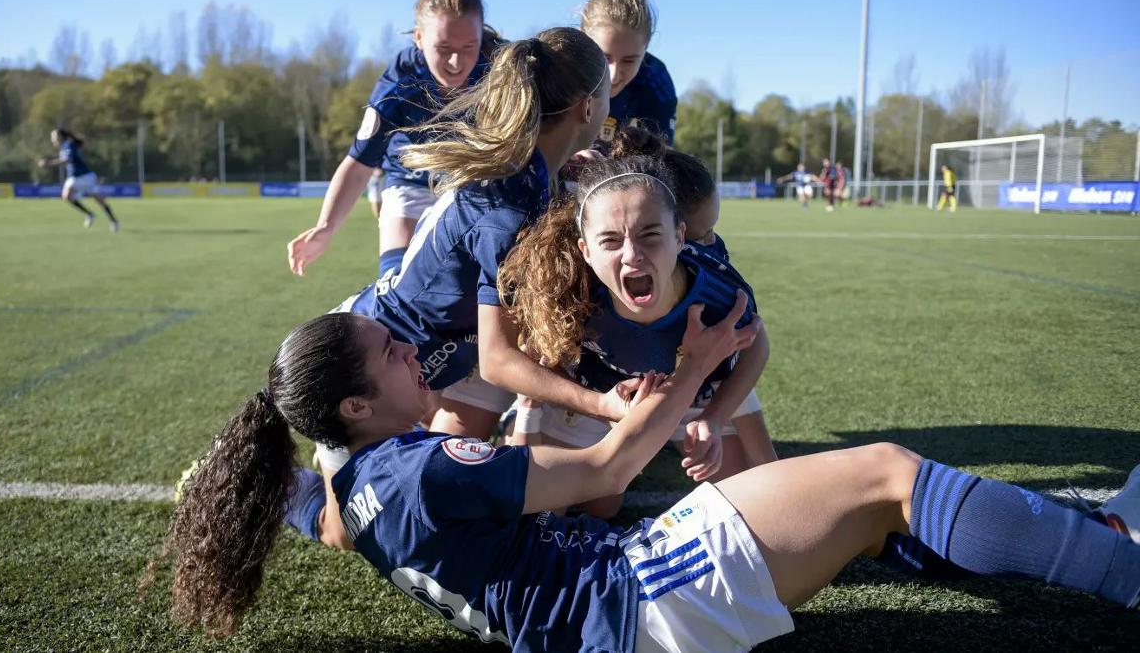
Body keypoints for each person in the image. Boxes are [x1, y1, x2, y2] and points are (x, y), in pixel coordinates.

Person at [148, 310, 1140, 652]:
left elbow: (312, 501)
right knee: (882, 472)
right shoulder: (417, 476)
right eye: (389, 354)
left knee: (863, 514)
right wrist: (697, 363)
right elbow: (611, 467)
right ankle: (1119, 559)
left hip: (615, 606)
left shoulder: (352, 489)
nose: (411, 351)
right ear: (355, 409)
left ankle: (1088, 536)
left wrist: (242, 481)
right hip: (634, 607)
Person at [279, 27, 632, 548]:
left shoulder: (528, 171)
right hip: (370, 366)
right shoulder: (507, 208)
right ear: (585, 107)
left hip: (443, 353)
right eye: (605, 94)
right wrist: (600, 403)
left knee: (445, 500)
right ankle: (289, 490)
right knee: (350, 532)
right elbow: (499, 360)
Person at [499, 150, 777, 518]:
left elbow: (756, 344)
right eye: (611, 241)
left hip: (693, 383)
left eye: (649, 235)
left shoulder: (719, 294)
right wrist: (571, 409)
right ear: (585, 250)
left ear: (680, 236)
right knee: (589, 508)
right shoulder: (567, 290)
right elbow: (533, 357)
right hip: (595, 390)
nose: (632, 255)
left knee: (754, 498)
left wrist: (713, 417)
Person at [287, 0, 498, 278]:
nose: (456, 61)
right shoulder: (399, 81)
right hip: (411, 187)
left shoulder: (501, 68)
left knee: (477, 293)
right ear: (419, 37)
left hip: (473, 189)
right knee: (399, 285)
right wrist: (326, 227)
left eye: (469, 47)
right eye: (443, 47)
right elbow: (360, 163)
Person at [581, 0, 677, 148]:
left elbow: (660, 162)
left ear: (645, 49)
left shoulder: (656, 85)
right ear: (582, 40)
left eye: (629, 61)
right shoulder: (559, 71)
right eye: (604, 57)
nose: (614, 75)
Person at [37, 127, 119, 232]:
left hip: (85, 176)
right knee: (66, 196)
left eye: (53, 136)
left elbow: (66, 160)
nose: (52, 139)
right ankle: (90, 214)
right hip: (74, 177)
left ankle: (113, 221)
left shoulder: (68, 145)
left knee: (99, 200)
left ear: (60, 137)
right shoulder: (64, 146)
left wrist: (48, 163)